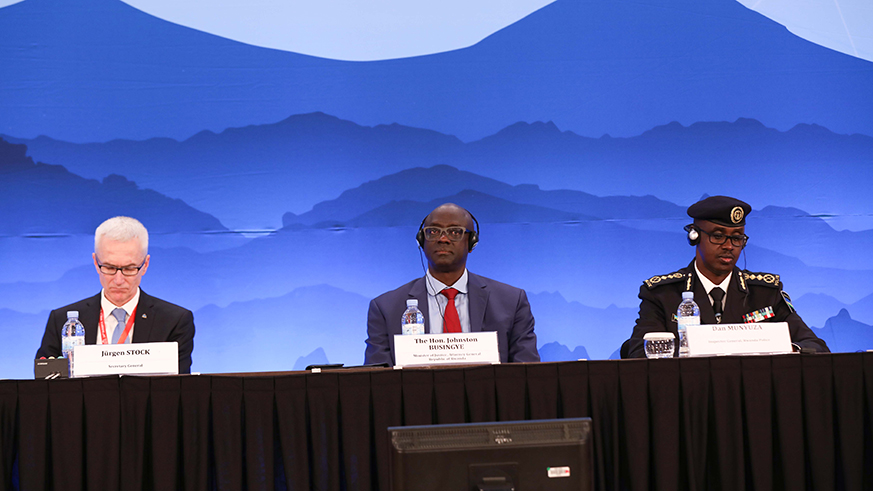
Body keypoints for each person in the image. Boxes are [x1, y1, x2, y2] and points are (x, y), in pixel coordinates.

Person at [620, 196, 829, 358]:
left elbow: (814, 346)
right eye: (718, 236)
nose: (729, 246)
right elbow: (639, 352)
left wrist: (784, 350)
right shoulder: (663, 294)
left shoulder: (766, 293)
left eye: (737, 237)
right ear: (695, 236)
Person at [365, 203, 540, 366]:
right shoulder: (385, 308)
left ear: (471, 243)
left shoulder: (511, 301)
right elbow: (378, 381)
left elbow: (526, 374)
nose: (443, 239)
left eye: (455, 232)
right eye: (433, 232)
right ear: (421, 241)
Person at [37, 216, 195, 373]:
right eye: (109, 268)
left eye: (129, 269)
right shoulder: (63, 321)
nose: (119, 280)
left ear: (145, 265)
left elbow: (178, 388)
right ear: (95, 262)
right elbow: (46, 382)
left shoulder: (174, 321)